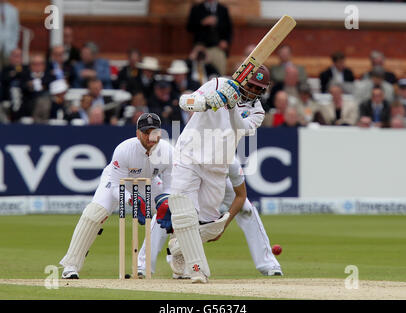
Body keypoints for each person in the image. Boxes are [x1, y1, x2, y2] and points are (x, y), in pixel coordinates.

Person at [166, 65, 269, 283]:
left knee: (212, 227)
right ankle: (197, 269)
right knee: (185, 214)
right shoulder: (218, 84)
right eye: (251, 85)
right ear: (244, 79)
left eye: (258, 88)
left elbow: (240, 128)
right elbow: (185, 101)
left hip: (218, 165)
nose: (253, 91)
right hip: (190, 155)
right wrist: (206, 102)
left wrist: (230, 106)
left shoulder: (258, 112)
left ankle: (178, 248)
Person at [60, 113, 173, 279]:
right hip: (118, 183)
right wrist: (131, 199)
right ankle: (70, 266)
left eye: (154, 132)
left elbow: (171, 185)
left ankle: (148, 266)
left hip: (147, 182)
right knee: (94, 213)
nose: (150, 137)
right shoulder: (124, 149)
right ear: (138, 134)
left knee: (173, 211)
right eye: (146, 132)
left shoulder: (168, 151)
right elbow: (114, 185)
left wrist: (166, 201)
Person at [136, 157, 283, 278]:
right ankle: (144, 265)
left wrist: (222, 226)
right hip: (190, 180)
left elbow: (240, 196)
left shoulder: (231, 161)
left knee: (247, 209)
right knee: (167, 210)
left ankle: (268, 264)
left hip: (219, 185)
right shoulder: (188, 157)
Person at [186, 0, 232, 76]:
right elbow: (189, 27)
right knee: (200, 74)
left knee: (219, 74)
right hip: (200, 47)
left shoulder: (223, 9)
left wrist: (225, 41)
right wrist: (202, 22)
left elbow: (229, 29)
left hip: (217, 48)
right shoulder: (197, 8)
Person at [0, 0, 20, 70]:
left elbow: (16, 29)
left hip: (9, 45)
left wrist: (14, 44)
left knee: (8, 68)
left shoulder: (13, 10)